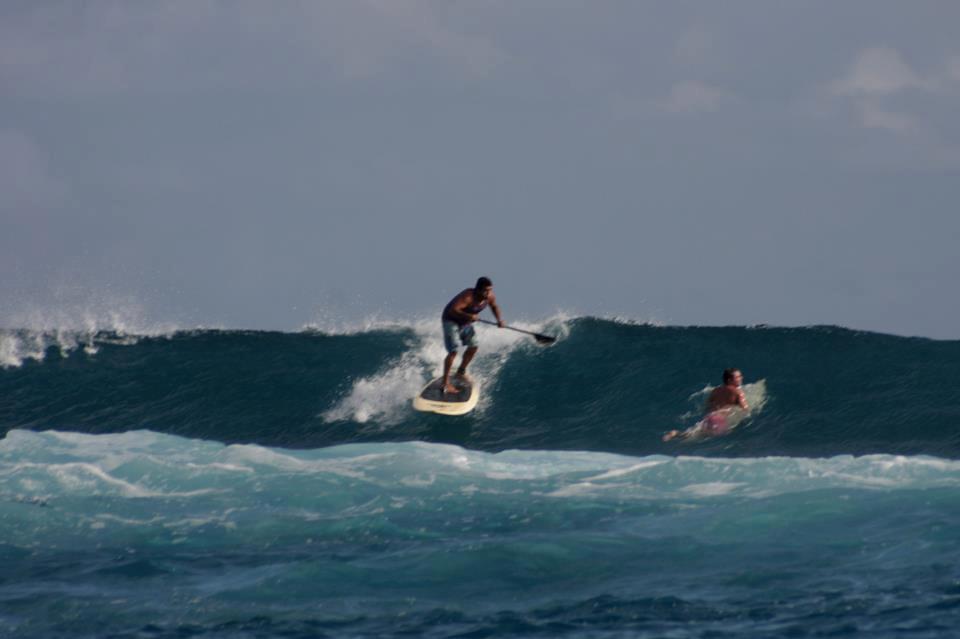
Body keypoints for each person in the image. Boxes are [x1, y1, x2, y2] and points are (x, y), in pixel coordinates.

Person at [441, 277, 503, 394]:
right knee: (453, 351)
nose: (489, 293)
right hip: (451, 321)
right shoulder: (468, 297)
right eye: (486, 290)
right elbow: (453, 310)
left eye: (490, 290)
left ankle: (461, 372)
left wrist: (499, 320)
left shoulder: (489, 296)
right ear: (478, 290)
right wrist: (469, 316)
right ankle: (445, 383)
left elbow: (494, 306)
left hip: (465, 323)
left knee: (474, 346)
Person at [663, 368, 750, 442]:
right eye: (738, 377)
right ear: (729, 380)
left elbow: (708, 406)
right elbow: (745, 409)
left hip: (710, 417)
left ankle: (676, 433)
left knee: (693, 434)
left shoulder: (715, 390)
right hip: (720, 420)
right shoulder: (738, 392)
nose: (741, 378)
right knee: (711, 438)